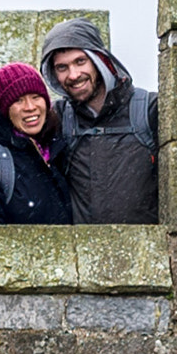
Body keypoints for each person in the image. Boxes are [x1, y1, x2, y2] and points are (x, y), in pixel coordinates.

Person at [39, 17, 159, 224]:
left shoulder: (149, 109)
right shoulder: (57, 118)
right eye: (62, 67)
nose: (73, 75)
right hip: (82, 251)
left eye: (80, 61)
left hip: (144, 251)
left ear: (99, 60)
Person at [0, 62, 72, 224]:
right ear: (4, 111)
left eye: (36, 97)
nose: (30, 107)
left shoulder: (61, 151)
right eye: (18, 100)